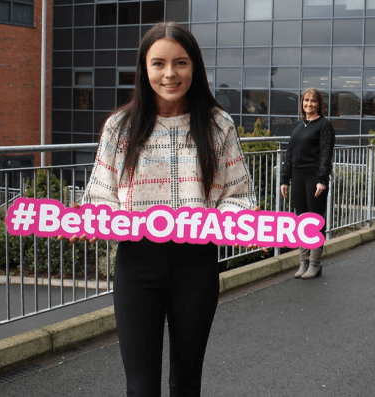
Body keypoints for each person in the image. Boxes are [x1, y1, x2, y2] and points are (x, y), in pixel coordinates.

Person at [77, 22, 256, 396]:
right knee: (140, 386)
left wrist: (224, 219)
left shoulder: (218, 125)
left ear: (195, 67)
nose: (170, 74)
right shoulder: (119, 127)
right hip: (136, 266)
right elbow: (99, 194)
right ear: (145, 68)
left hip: (196, 265)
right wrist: (101, 219)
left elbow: (240, 195)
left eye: (181, 63)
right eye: (158, 64)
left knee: (186, 382)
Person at [280, 88, 336, 279]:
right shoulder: (297, 125)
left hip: (314, 178)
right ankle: (303, 262)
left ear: (319, 104)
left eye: (313, 101)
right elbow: (290, 153)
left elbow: (325, 154)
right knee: (301, 220)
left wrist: (322, 180)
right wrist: (284, 179)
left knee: (314, 220)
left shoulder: (324, 125)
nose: (309, 104)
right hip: (297, 177)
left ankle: (315, 263)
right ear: (302, 103)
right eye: (306, 101)